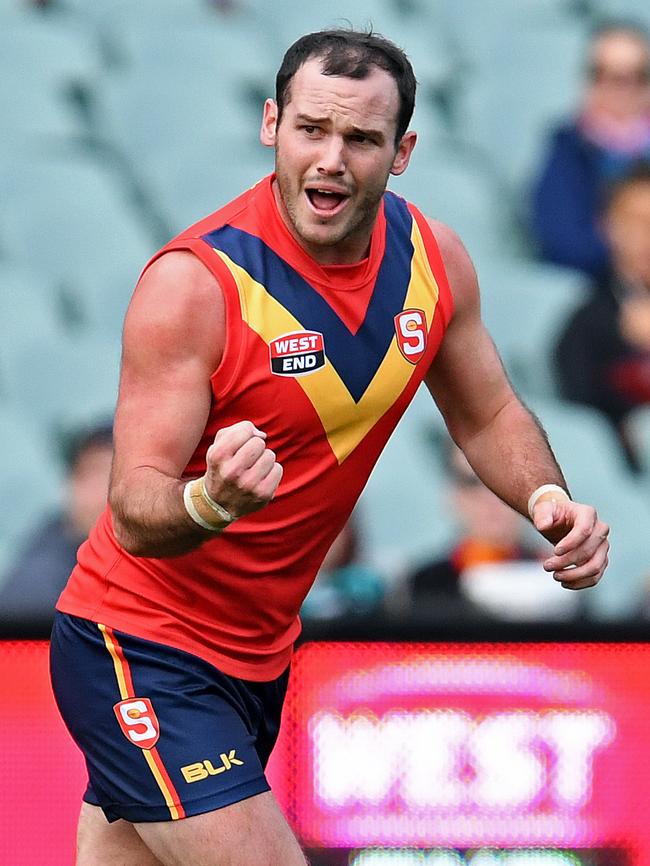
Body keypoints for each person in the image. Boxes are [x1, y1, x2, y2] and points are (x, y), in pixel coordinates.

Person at [49, 29, 610, 866]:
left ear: (405, 150)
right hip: (139, 646)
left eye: (360, 138)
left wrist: (544, 501)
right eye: (312, 128)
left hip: (257, 656)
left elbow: (488, 413)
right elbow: (132, 510)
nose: (332, 159)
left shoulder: (432, 260)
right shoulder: (196, 285)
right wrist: (211, 501)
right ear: (271, 124)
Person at [531, 21, 650, 280]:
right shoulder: (566, 150)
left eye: (637, 75)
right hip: (603, 296)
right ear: (588, 81)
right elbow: (566, 243)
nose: (623, 88)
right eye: (607, 74)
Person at [555, 161, 650, 467]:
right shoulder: (586, 324)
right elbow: (582, 423)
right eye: (634, 221)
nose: (646, 235)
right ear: (606, 226)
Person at [0, 421, 112, 628]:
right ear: (69, 485)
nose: (108, 492)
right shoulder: (36, 588)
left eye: (117, 475)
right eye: (96, 474)